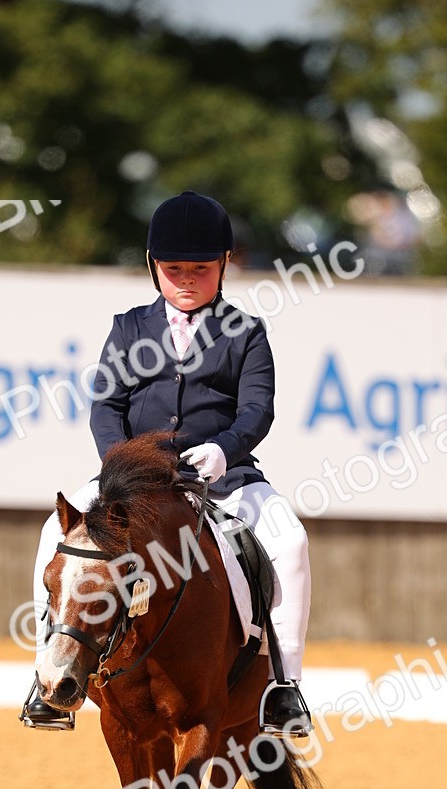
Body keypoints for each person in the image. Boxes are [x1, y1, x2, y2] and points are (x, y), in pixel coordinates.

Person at [22, 190, 312, 736]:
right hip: (131, 481)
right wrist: (123, 464)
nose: (185, 279)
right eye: (173, 268)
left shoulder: (246, 332)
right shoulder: (129, 327)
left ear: (224, 264)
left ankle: (285, 688)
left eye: (199, 269)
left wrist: (225, 449)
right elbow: (106, 405)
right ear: (154, 267)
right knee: (51, 535)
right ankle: (46, 673)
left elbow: (257, 408)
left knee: (290, 542)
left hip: (223, 478)